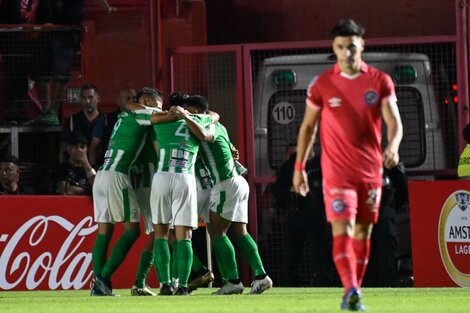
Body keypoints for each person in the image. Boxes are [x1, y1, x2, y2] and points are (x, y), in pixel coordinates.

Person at [292, 19, 403, 311]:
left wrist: (392, 146)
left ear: (361, 45)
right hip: (337, 174)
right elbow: (308, 128)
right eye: (340, 47)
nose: (347, 52)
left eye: (352, 46)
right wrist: (299, 167)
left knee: (363, 234)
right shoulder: (323, 84)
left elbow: (394, 122)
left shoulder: (380, 81)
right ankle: (352, 290)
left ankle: (353, 288)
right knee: (344, 229)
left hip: (370, 172)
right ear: (334, 48)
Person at [185, 95, 273, 295]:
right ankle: (261, 276)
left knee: (217, 233)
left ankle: (233, 281)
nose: (186, 115)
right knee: (240, 233)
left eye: (189, 111)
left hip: (225, 184)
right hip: (238, 181)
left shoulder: (203, 127)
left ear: (197, 112)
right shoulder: (220, 125)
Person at [90, 87, 172, 296]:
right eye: (157, 107)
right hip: (117, 175)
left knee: (104, 232)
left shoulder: (125, 116)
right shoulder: (140, 113)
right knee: (132, 230)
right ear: (146, 101)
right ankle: (102, 277)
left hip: (101, 175)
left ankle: (99, 286)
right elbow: (164, 118)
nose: (159, 111)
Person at [150, 100, 218, 296]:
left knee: (161, 233)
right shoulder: (198, 119)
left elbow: (147, 116)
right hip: (185, 178)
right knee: (184, 236)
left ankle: (165, 284)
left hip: (161, 177)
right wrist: (187, 116)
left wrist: (171, 114)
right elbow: (215, 115)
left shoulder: (159, 121)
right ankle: (182, 286)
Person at [274, 146, 335, 287]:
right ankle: (292, 289)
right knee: (291, 258)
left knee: (322, 257)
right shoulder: (291, 165)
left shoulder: (322, 163)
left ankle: (325, 288)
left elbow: (333, 186)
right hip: (295, 215)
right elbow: (278, 190)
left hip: (318, 216)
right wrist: (291, 190)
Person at [89, 86, 136, 168]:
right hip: (111, 167)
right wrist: (94, 170)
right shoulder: (106, 119)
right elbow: (93, 147)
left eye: (134, 98)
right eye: (128, 98)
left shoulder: (142, 119)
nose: (133, 101)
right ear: (119, 102)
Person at [60, 83, 107, 166]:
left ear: (98, 99)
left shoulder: (106, 120)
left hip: (101, 169)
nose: (87, 101)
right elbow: (63, 149)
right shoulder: (71, 120)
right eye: (84, 98)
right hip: (78, 170)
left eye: (90, 97)